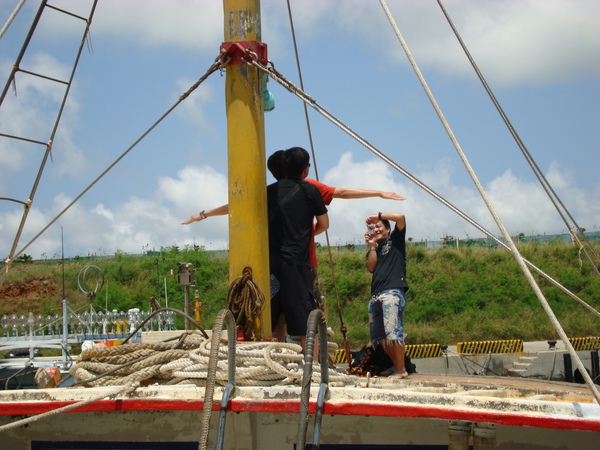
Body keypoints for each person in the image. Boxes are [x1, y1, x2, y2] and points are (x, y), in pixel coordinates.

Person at [267, 147, 328, 350]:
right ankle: (313, 367)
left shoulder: (267, 192)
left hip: (271, 265)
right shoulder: (310, 191)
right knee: (305, 321)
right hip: (297, 264)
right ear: (306, 170)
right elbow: (324, 224)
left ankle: (276, 361)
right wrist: (308, 234)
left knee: (273, 319)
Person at [364, 211, 409, 378]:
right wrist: (372, 245)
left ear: (388, 230)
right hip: (376, 294)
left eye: (379, 226)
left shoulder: (395, 240)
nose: (375, 229)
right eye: (373, 227)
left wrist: (378, 215)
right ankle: (396, 365)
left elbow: (401, 218)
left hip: (392, 291)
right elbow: (371, 268)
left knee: (393, 331)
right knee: (379, 336)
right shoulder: (375, 248)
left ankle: (401, 369)